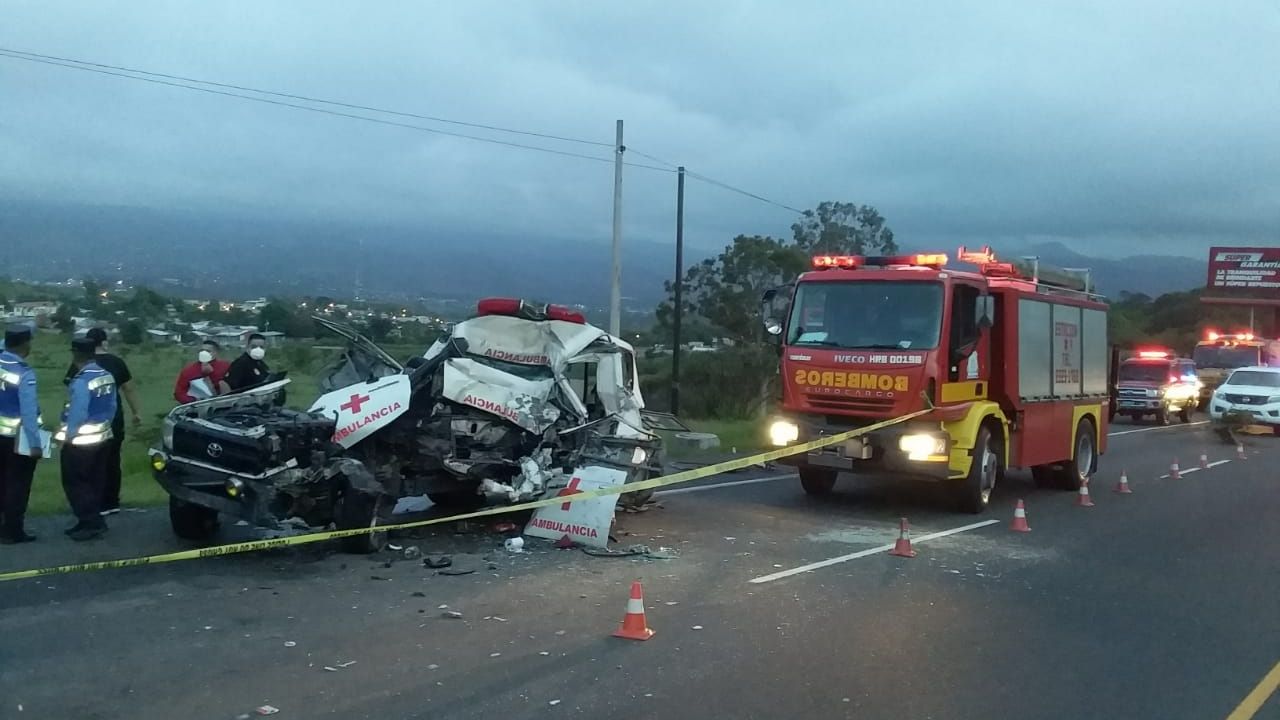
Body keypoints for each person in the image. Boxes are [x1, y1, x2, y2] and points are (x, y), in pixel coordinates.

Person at [63, 327, 140, 516]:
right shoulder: (116, 362)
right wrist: (136, 412)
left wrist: (68, 430)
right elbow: (128, 389)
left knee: (84, 468)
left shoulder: (81, 365)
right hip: (112, 420)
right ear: (104, 342)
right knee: (112, 461)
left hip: (84, 426)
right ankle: (111, 502)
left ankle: (90, 507)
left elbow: (72, 391)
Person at [58, 338, 118, 541]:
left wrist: (69, 436)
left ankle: (91, 522)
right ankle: (88, 520)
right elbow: (112, 407)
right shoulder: (107, 376)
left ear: (75, 355)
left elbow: (78, 412)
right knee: (95, 481)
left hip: (81, 442)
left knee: (75, 482)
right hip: (103, 438)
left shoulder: (81, 381)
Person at [0, 327, 43, 544]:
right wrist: (35, 444)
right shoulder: (24, 373)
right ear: (24, 345)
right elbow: (28, 412)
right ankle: (13, 530)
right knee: (17, 485)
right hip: (16, 439)